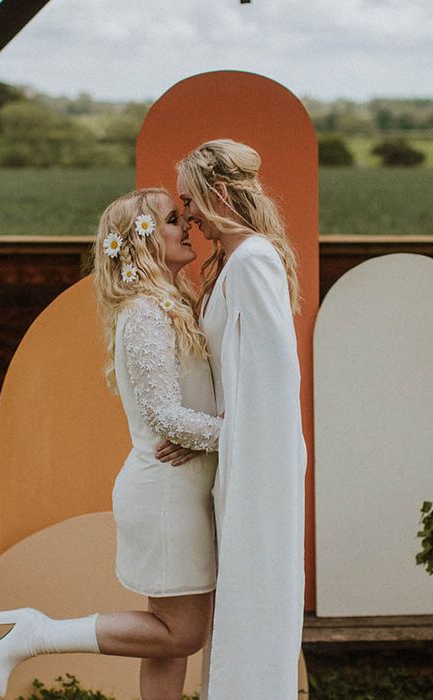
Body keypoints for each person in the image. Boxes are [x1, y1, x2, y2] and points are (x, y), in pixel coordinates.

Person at [0, 188, 223, 700]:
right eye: (173, 219)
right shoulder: (144, 313)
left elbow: (186, 417)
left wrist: (207, 433)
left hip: (178, 491)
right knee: (183, 633)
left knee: (168, 643)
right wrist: (235, 434)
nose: (188, 226)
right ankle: (38, 633)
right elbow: (167, 418)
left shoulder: (174, 302)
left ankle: (37, 633)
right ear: (141, 240)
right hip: (166, 497)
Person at [159, 139, 307, 699]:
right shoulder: (234, 262)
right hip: (240, 459)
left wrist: (224, 441)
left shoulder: (254, 261)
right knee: (239, 600)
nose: (188, 216)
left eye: (190, 201)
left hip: (259, 468)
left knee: (257, 598)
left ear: (216, 193)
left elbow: (274, 378)